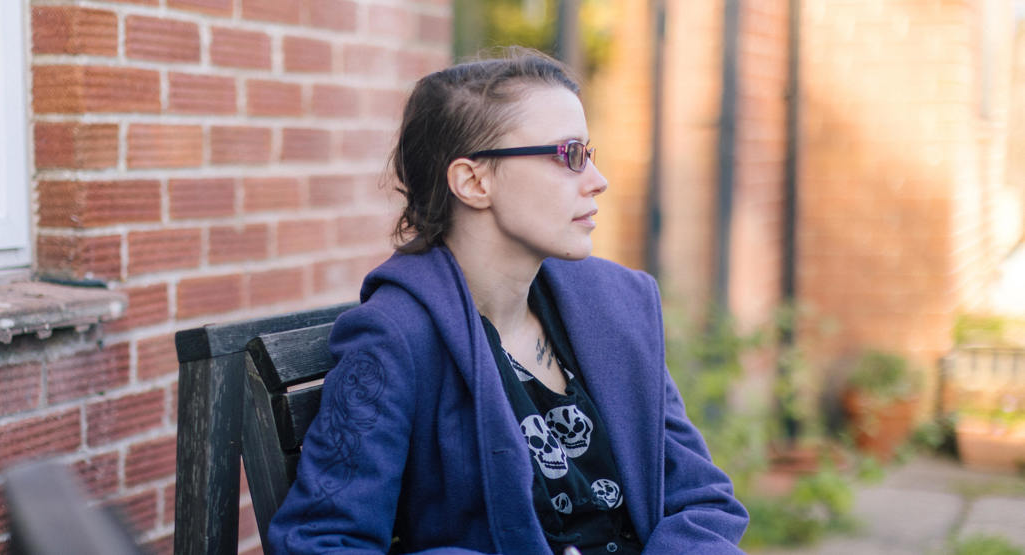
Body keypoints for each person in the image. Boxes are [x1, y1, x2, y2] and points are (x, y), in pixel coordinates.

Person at [267, 47, 749, 554]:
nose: (598, 181)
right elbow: (322, 540)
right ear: (473, 181)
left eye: (591, 152)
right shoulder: (396, 337)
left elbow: (702, 500)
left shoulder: (617, 310)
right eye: (570, 155)